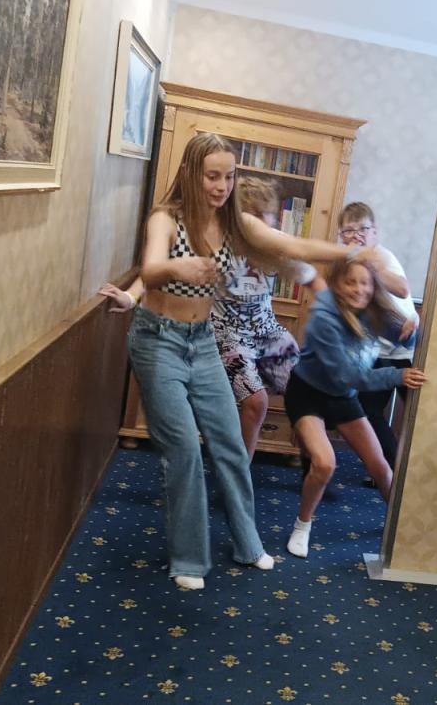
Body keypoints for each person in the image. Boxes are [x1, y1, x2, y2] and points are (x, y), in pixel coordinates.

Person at [125, 133, 375, 591]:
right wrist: (177, 268)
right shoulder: (166, 219)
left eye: (228, 176)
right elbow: (151, 269)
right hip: (158, 341)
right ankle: (188, 559)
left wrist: (355, 252)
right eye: (212, 176)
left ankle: (247, 543)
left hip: (201, 340)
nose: (221, 186)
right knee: (184, 450)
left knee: (229, 442)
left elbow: (293, 246)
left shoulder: (236, 224)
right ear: (190, 174)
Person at [103, 176, 324, 462]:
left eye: (265, 215)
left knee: (309, 386)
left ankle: (314, 461)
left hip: (266, 331)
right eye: (252, 216)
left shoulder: (275, 247)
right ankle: (239, 472)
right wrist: (130, 297)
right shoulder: (216, 244)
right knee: (256, 402)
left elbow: (313, 279)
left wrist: (336, 318)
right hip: (225, 334)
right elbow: (159, 270)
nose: (260, 223)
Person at [284, 257, 427, 558]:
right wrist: (396, 376)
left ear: (373, 287)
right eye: (350, 282)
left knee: (381, 468)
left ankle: (402, 529)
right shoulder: (324, 319)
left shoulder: (373, 312)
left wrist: (412, 326)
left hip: (342, 396)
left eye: (365, 283)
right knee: (324, 463)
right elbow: (347, 375)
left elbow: (405, 338)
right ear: (337, 284)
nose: (358, 289)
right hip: (308, 393)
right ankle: (302, 525)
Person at [334, 203, 419, 486]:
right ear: (341, 236)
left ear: (375, 233)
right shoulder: (346, 264)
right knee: (369, 411)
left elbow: (402, 289)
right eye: (349, 231)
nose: (356, 236)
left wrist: (369, 263)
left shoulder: (381, 256)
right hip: (378, 349)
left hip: (406, 347)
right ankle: (392, 472)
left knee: (419, 416)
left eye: (363, 230)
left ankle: (408, 475)